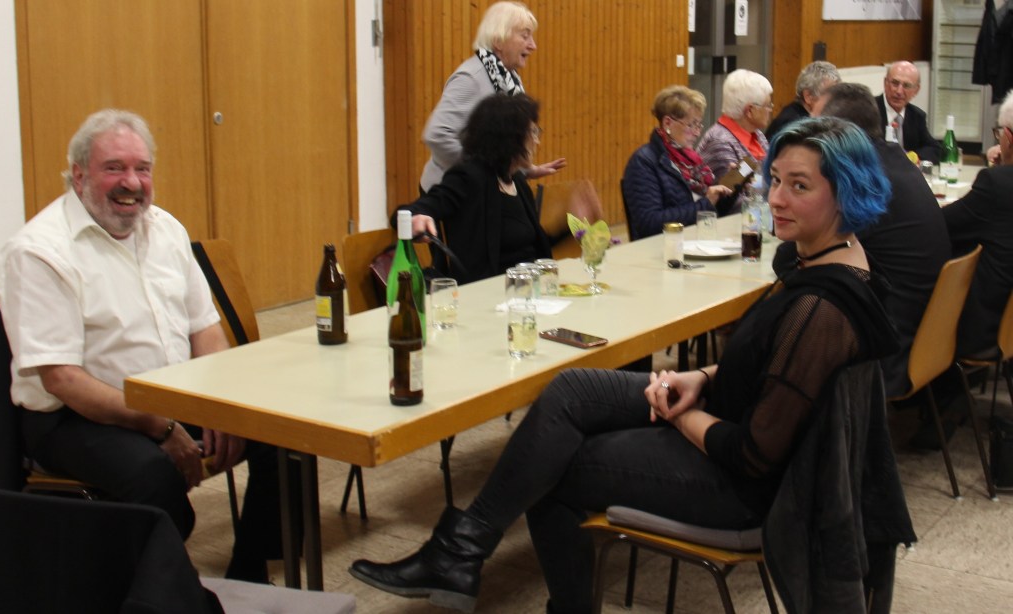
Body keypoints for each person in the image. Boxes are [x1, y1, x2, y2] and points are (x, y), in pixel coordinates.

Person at [350, 117, 907, 612]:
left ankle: (469, 560)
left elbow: (753, 454)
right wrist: (700, 376)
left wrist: (680, 414)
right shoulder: (831, 263)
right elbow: (781, 372)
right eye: (776, 180)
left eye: (800, 186)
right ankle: (459, 551)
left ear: (847, 194)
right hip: (728, 413)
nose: (778, 198)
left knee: (553, 468)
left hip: (742, 486)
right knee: (572, 390)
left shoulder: (821, 308)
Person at [0, 109, 289, 584]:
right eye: (114, 167)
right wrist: (162, 426)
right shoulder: (39, 250)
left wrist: (220, 405)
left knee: (285, 426)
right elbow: (63, 380)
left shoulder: (166, 229)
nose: (131, 182)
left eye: (142, 168)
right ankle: (167, 591)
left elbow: (205, 330)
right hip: (75, 417)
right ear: (78, 175)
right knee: (153, 476)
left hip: (169, 394)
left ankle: (250, 570)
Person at [796, 82, 952, 399]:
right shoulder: (896, 161)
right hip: (923, 335)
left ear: (837, 132)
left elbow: (798, 257)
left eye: (813, 126)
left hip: (888, 347)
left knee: (774, 335)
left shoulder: (862, 178)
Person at [400, 93, 552, 284]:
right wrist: (416, 218)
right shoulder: (469, 178)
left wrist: (569, 227)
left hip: (529, 287)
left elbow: (530, 244)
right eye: (533, 132)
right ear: (509, 137)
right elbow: (412, 211)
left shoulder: (517, 181)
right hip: (489, 292)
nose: (537, 141)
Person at [419, 1, 565, 193]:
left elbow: (501, 146)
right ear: (498, 40)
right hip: (450, 194)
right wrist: (482, 173)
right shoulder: (470, 78)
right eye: (525, 36)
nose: (533, 46)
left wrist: (525, 170)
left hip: (481, 191)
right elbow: (436, 135)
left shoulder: (508, 79)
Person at [944, 89, 1013, 357]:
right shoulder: (999, 182)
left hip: (983, 327)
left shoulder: (996, 184)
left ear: (1007, 137)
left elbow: (944, 224)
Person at [621, 85, 733, 239]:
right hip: (663, 247)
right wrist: (705, 205)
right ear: (668, 123)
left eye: (699, 125)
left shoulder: (691, 161)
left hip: (696, 240)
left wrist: (731, 188)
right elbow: (649, 223)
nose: (697, 132)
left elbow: (714, 210)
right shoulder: (643, 162)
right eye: (691, 125)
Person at [697, 69, 774, 184]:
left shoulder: (757, 134)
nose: (770, 110)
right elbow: (735, 192)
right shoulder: (720, 142)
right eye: (767, 105)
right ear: (750, 110)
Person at [875, 61, 942, 164]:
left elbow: (935, 149)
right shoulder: (869, 110)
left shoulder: (917, 116)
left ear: (916, 90)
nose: (899, 91)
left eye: (906, 85)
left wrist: (912, 157)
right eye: (895, 83)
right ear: (885, 83)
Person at [765, 60, 840, 140]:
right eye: (829, 94)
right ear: (808, 96)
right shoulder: (794, 125)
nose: (836, 100)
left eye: (837, 93)